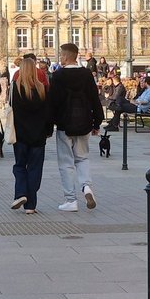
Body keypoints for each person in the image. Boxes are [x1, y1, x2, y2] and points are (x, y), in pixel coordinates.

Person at [50, 43, 104, 212]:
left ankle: (71, 200)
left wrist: (49, 124)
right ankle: (86, 187)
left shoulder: (58, 76)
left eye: (61, 54)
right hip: (84, 123)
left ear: (66, 57)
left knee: (66, 163)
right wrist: (97, 123)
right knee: (82, 158)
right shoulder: (86, 75)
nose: (60, 57)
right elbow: (95, 99)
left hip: (65, 125)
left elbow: (52, 103)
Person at [10, 58, 53, 215]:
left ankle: (21, 193)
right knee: (35, 168)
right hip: (38, 135)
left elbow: (13, 110)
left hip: (21, 135)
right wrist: (48, 131)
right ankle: (31, 205)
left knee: (20, 165)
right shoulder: (42, 89)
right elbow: (48, 113)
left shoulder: (17, 88)